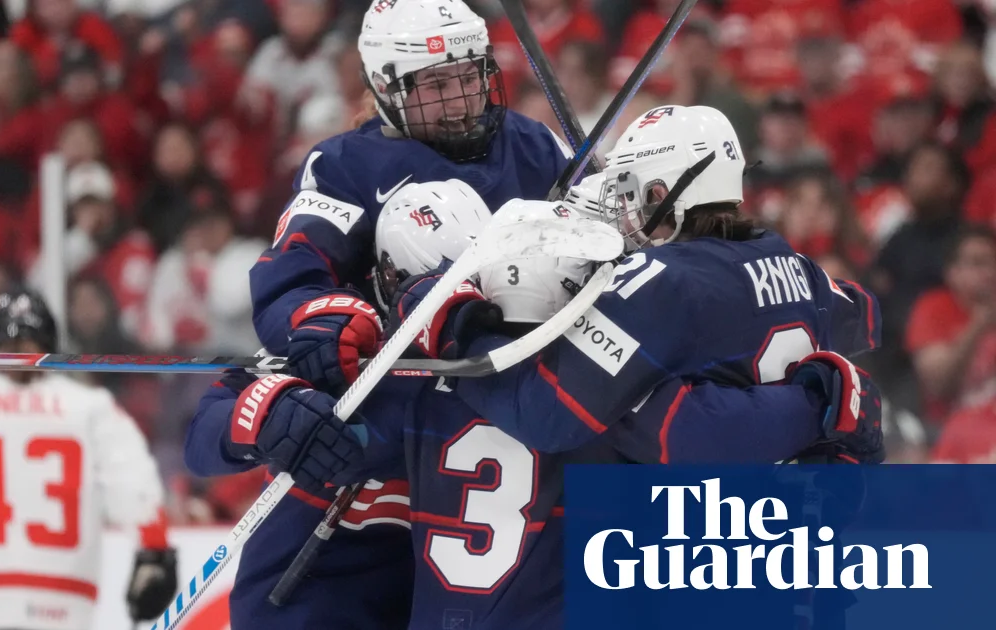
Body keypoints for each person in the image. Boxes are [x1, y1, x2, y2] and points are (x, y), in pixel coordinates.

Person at [188, 180, 882, 628]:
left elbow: (214, 422)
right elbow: (692, 431)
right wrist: (817, 401)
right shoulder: (592, 379)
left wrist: (266, 411)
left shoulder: (381, 372)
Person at [387, 105, 883, 469]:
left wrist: (453, 323)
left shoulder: (660, 284)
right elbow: (864, 314)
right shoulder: (798, 265)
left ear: (660, 194)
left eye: (627, 190)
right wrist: (820, 400)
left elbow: (545, 413)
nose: (618, 208)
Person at [250, 0, 574, 398]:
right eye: (437, 85)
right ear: (386, 88)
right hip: (412, 398)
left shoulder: (533, 143)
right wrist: (320, 319)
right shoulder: (343, 165)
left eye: (471, 77)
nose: (461, 102)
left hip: (543, 379)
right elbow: (292, 276)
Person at [0, 288, 177, 630]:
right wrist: (153, 555)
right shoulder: (89, 407)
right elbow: (134, 488)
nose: (19, 351)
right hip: (60, 605)